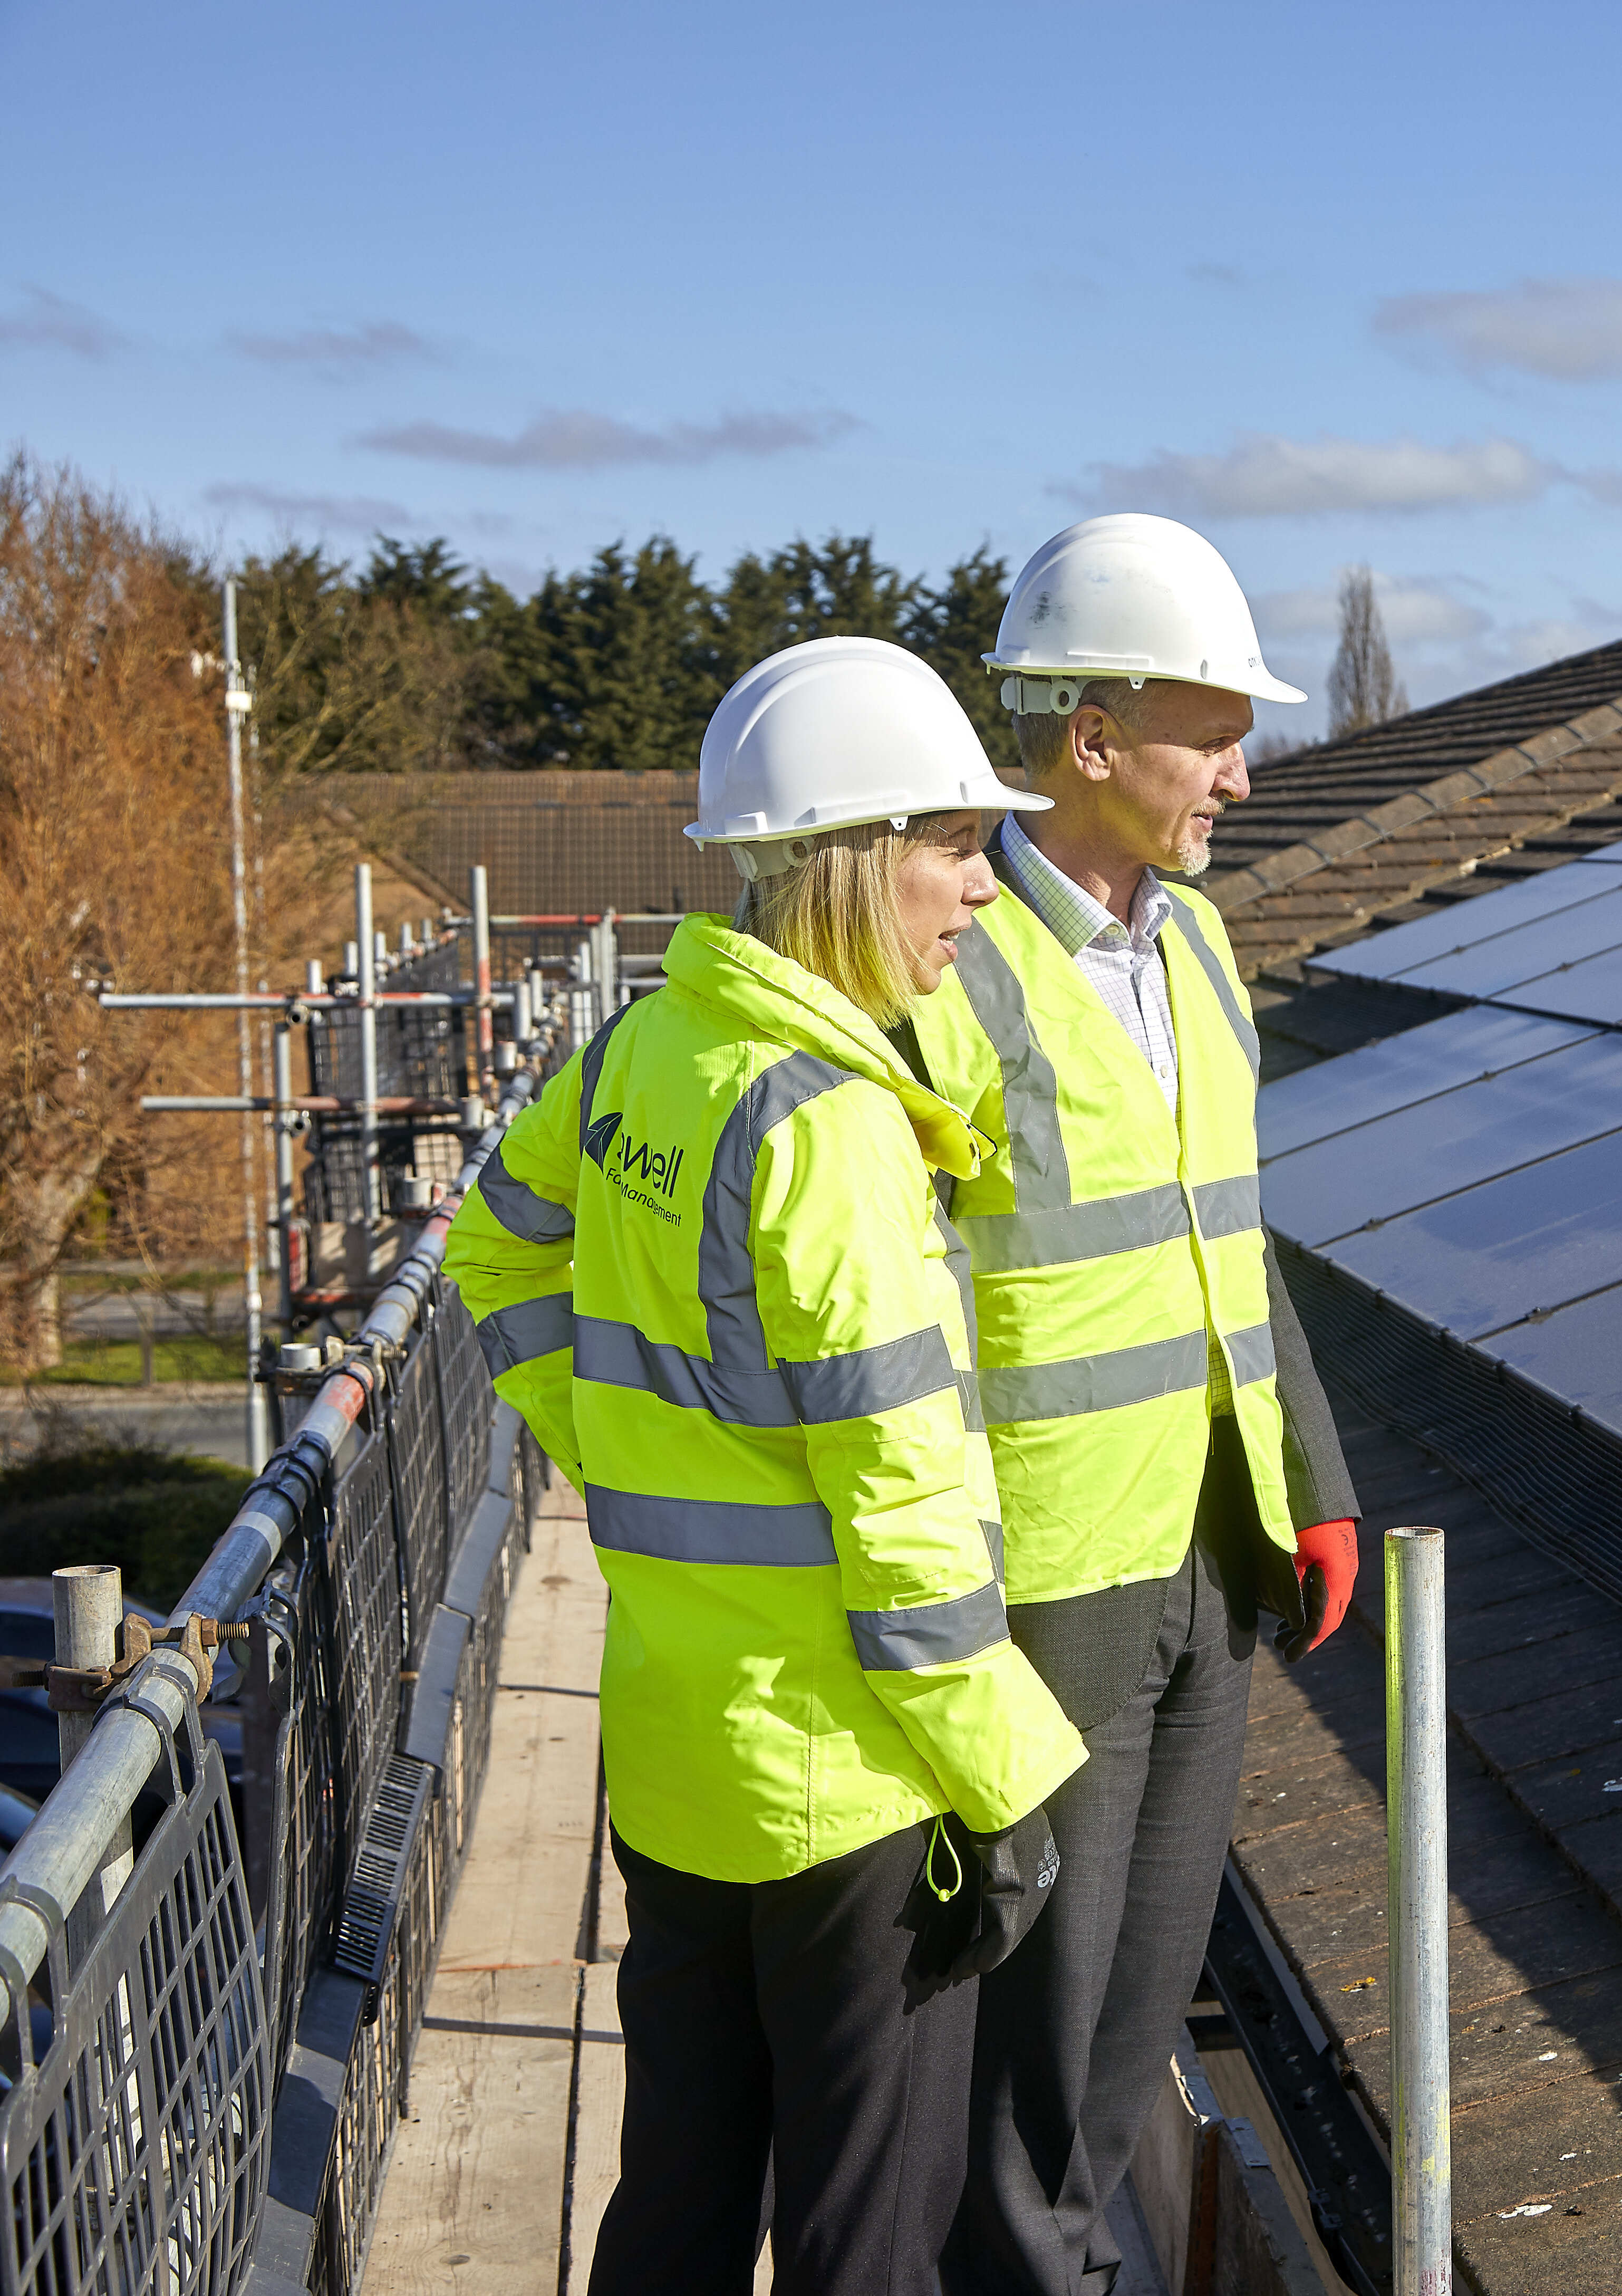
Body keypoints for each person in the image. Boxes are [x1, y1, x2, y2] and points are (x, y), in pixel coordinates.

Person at [450, 637, 1086, 2294]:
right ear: (859, 858)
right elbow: (908, 1513)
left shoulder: (642, 1056)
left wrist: (608, 1441)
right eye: (957, 845)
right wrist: (1006, 1785)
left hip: (673, 1750)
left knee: (671, 2195)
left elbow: (493, 1256)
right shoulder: (833, 1131)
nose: (983, 889)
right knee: (863, 2237)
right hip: (849, 1787)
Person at [914, 514, 1363, 2294]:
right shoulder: (956, 971)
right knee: (1032, 2021)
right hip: (1044, 1579)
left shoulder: (1195, 949)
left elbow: (1232, 1243)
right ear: (1089, 737)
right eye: (1209, 734)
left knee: (1126, 2025)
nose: (1242, 777)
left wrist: (1309, 1477)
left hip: (1204, 1546)